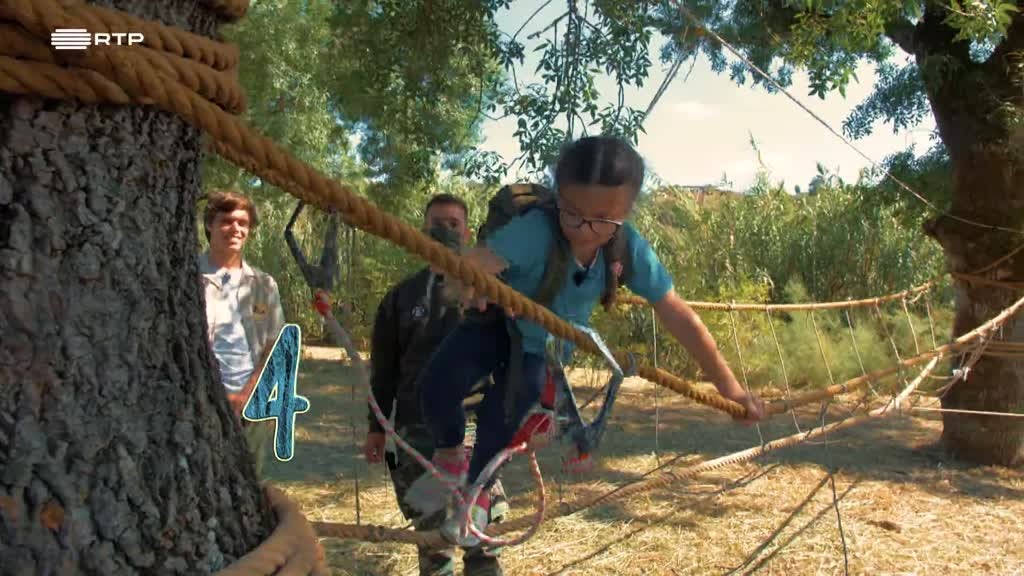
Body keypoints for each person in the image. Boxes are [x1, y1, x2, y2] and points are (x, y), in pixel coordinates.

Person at [414, 136, 767, 541]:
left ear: (626, 212)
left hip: (541, 348)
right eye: (572, 213)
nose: (584, 230)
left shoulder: (628, 248)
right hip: (497, 323)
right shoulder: (535, 230)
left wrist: (732, 391)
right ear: (559, 197)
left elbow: (678, 315)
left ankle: (476, 492)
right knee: (436, 386)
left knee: (502, 419)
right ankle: (450, 454)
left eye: (602, 220)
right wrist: (469, 282)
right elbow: (476, 264)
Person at [365, 193, 509, 576]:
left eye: (453, 224)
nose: (445, 230)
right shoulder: (401, 298)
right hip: (416, 431)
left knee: (481, 535)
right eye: (437, 223)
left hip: (474, 427)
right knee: (432, 538)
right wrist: (376, 429)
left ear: (466, 232)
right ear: (423, 229)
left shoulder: (490, 293)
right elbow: (384, 370)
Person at [199, 190, 285, 477]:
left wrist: (247, 395)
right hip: (199, 404)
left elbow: (273, 347)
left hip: (250, 407)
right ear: (209, 224)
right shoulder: (186, 277)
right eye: (226, 221)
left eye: (243, 223)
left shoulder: (263, 285)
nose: (235, 228)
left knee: (248, 484)